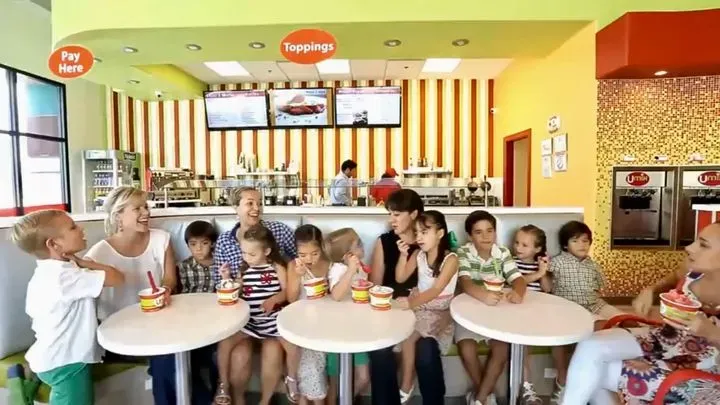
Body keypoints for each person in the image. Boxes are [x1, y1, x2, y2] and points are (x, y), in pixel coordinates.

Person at [560, 221, 720, 404]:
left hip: (704, 367)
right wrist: (651, 290)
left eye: (703, 245)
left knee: (594, 372)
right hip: (666, 338)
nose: (689, 247)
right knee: (589, 346)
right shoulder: (692, 268)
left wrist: (711, 333)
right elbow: (676, 275)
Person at [11, 210, 125, 405]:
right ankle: (21, 393)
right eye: (72, 227)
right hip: (67, 363)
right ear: (53, 244)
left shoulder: (51, 271)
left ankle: (25, 384)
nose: (81, 229)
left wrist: (78, 263)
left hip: (51, 354)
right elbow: (117, 278)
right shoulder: (66, 278)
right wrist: (84, 263)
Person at [84, 186, 178, 405]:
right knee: (168, 358)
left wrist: (165, 290)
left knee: (177, 354)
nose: (146, 213)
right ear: (118, 215)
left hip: (157, 323)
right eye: (137, 209)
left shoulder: (161, 239)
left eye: (146, 207)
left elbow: (169, 279)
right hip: (119, 331)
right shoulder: (98, 253)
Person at [211, 186, 296, 404]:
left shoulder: (278, 232)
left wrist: (284, 291)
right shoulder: (225, 242)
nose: (256, 208)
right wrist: (228, 281)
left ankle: (269, 397)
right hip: (244, 319)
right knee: (235, 351)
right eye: (250, 203)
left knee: (275, 349)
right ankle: (229, 391)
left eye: (259, 203)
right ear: (235, 207)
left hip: (273, 320)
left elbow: (301, 260)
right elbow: (223, 286)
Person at [368, 189, 446, 405]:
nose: (391, 220)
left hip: (424, 310)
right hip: (392, 309)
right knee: (380, 351)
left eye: (396, 214)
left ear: (413, 214)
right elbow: (375, 285)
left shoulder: (431, 244)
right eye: (390, 214)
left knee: (426, 349)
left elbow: (443, 285)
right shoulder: (385, 242)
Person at [455, 210, 528, 405]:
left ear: (495, 232)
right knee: (467, 349)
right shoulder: (463, 252)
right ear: (470, 236)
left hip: (497, 313)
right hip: (469, 313)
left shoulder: (502, 252)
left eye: (490, 230)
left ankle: (479, 399)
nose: (486, 236)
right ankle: (487, 395)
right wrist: (483, 296)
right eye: (478, 232)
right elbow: (465, 282)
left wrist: (518, 292)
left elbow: (518, 279)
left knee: (501, 350)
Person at [548, 220, 622, 403]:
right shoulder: (557, 262)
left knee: (623, 321)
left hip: (594, 305)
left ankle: (606, 377)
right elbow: (546, 284)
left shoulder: (593, 265)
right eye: (575, 241)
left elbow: (600, 288)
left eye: (585, 241)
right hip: (569, 308)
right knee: (567, 335)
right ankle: (564, 381)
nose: (582, 245)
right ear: (565, 245)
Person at [395, 210, 459, 404]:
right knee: (402, 337)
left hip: (439, 310)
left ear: (440, 233)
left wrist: (410, 303)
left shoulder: (451, 260)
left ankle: (406, 383)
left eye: (424, 232)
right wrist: (403, 256)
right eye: (417, 233)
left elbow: (436, 290)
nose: (419, 237)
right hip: (420, 304)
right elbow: (400, 277)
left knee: (409, 338)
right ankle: (407, 382)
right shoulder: (418, 254)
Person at [286, 225, 332, 405]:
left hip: (324, 321)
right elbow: (291, 299)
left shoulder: (330, 264)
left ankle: (310, 396)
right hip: (301, 322)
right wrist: (298, 276)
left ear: (322, 247)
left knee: (314, 358)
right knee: (310, 359)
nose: (309, 259)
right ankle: (313, 396)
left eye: (314, 253)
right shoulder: (293, 266)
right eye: (303, 254)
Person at [324, 228, 372, 404]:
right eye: (358, 244)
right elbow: (336, 295)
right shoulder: (338, 270)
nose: (363, 245)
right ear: (347, 255)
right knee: (334, 381)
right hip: (337, 331)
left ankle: (346, 399)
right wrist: (351, 270)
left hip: (358, 330)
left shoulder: (360, 267)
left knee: (363, 377)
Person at [177, 220, 219, 405]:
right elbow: (181, 294)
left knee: (216, 357)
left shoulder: (221, 264)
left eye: (204, 243)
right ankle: (199, 397)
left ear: (212, 243)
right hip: (191, 319)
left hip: (216, 318)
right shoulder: (184, 267)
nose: (199, 249)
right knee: (188, 358)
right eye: (193, 244)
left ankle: (218, 393)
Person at [511, 225, 552, 405]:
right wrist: (538, 273)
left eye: (524, 245)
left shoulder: (539, 265)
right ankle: (527, 387)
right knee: (522, 345)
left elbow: (547, 289)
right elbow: (516, 281)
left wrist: (543, 271)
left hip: (537, 311)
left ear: (537, 249)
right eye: (517, 243)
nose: (518, 247)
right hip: (518, 310)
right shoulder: (511, 263)